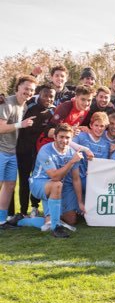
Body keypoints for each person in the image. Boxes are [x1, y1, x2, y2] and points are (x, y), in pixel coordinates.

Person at [28, 123, 84, 238]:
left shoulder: (72, 153)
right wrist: (71, 162)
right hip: (39, 183)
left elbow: (76, 179)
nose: (64, 140)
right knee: (57, 184)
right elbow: (55, 176)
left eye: (67, 137)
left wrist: (80, 202)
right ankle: (55, 226)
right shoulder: (45, 150)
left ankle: (48, 218)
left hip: (58, 185)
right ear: (55, 137)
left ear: (71, 138)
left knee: (71, 219)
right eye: (61, 137)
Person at [0, 75, 37, 225]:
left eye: (32, 90)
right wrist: (20, 125)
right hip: (1, 151)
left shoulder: (25, 106)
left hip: (12, 152)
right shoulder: (7, 103)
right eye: (26, 88)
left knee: (9, 185)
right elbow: (1, 128)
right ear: (18, 87)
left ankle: (2, 220)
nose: (28, 92)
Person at [16, 84, 56, 217]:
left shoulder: (53, 111)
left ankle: (34, 207)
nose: (48, 99)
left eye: (51, 97)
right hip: (24, 151)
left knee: (38, 179)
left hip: (40, 152)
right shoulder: (30, 107)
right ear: (39, 95)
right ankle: (22, 210)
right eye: (46, 96)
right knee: (24, 180)